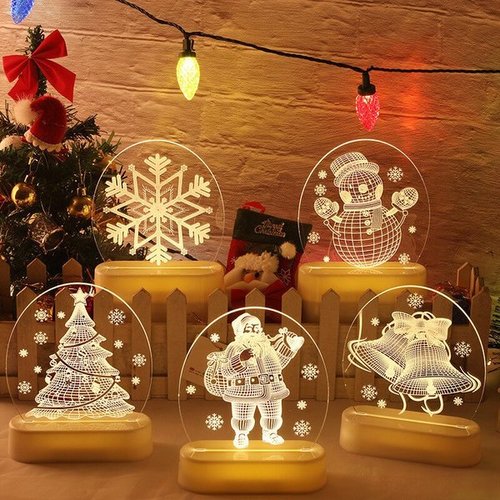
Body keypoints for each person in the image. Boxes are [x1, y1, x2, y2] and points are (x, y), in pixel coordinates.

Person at [220, 313, 304, 449]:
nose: (253, 331)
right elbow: (226, 371)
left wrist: (289, 347)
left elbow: (278, 365)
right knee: (242, 415)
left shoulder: (267, 347)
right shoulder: (234, 347)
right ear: (239, 331)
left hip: (272, 388)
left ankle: (270, 433)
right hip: (244, 389)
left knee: (272, 414)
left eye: (256, 328)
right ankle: (241, 434)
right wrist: (241, 358)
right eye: (248, 328)